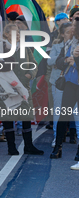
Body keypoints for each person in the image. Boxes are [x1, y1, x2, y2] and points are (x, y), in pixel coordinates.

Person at [0, 24, 43, 155]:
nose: (17, 35)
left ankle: (28, 145)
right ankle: (11, 147)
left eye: (18, 33)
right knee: (8, 117)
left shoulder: (25, 47)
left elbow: (33, 63)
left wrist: (30, 74)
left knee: (26, 116)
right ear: (6, 35)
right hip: (7, 88)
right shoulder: (1, 49)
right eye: (13, 33)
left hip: (23, 87)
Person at [51, 18, 79, 161]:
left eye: (74, 26)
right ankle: (58, 147)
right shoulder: (69, 43)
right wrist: (67, 60)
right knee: (64, 115)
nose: (72, 28)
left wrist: (76, 62)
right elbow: (58, 62)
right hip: (70, 83)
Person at [48, 22, 76, 147]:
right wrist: (65, 60)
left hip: (73, 82)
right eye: (68, 32)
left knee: (75, 112)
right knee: (58, 110)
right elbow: (49, 61)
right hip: (59, 81)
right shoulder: (57, 46)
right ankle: (57, 138)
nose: (71, 33)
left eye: (73, 31)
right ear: (63, 34)